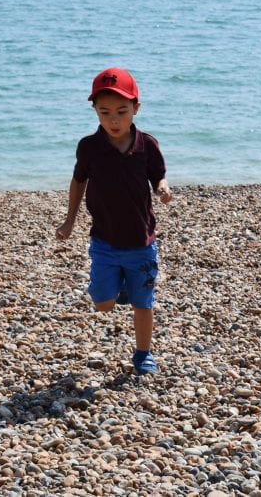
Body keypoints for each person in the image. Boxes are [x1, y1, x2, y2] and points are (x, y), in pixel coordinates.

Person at [56, 67, 173, 375]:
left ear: (136, 107)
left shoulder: (147, 145)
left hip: (142, 243)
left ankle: (143, 354)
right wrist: (69, 221)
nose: (114, 120)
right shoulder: (89, 147)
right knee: (103, 303)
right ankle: (117, 288)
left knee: (143, 303)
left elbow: (157, 175)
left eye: (122, 111)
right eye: (104, 112)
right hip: (104, 242)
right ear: (95, 110)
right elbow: (78, 182)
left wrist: (162, 186)